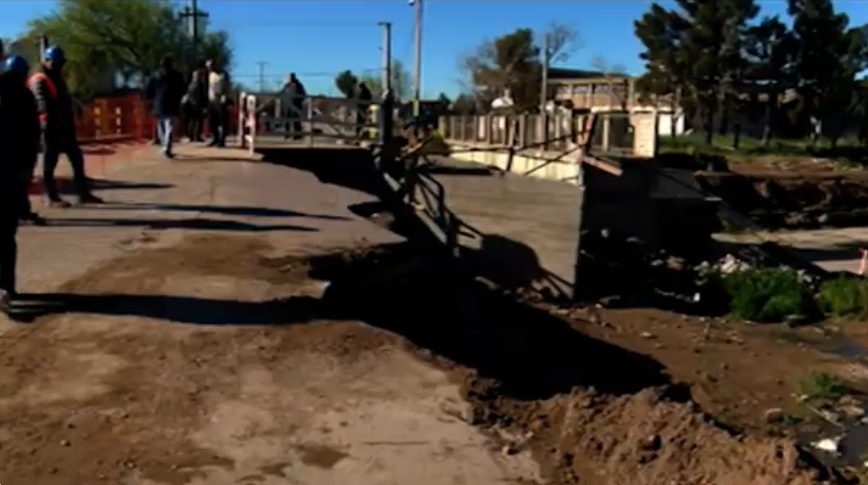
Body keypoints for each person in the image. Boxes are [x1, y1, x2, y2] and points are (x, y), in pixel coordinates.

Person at [30, 46, 102, 207]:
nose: (59, 66)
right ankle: (51, 196)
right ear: (46, 61)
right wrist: (52, 119)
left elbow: (63, 98)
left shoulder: (56, 76)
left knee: (77, 159)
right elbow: (42, 104)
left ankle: (83, 193)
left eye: (61, 63)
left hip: (65, 125)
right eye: (56, 63)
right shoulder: (39, 79)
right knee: (50, 162)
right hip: (50, 126)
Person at [0, 55, 41, 313]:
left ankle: (5, 288)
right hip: (11, 172)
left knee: (4, 233)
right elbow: (32, 137)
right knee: (5, 233)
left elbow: (31, 136)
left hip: (9, 171)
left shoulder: (20, 95)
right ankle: (6, 287)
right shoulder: (22, 95)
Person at [1, 56, 43, 226]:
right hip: (18, 148)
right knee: (19, 182)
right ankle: (21, 212)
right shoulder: (22, 93)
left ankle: (22, 211)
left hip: (11, 148)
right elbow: (30, 125)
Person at [145, 55, 185, 158]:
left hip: (159, 104)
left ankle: (164, 146)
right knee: (170, 126)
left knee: (161, 126)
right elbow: (183, 89)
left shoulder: (155, 75)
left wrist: (150, 100)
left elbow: (149, 90)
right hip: (172, 103)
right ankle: (167, 147)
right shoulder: (177, 75)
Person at [206, 59, 229, 147]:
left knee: (221, 121)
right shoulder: (211, 75)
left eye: (210, 66)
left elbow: (226, 86)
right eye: (208, 67)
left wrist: (224, 97)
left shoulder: (223, 74)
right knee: (212, 121)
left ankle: (222, 140)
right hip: (212, 99)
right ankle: (215, 138)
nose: (209, 68)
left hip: (220, 100)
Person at [182, 65, 207, 142]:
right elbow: (202, 96)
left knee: (192, 121)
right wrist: (204, 106)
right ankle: (197, 136)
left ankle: (190, 136)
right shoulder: (200, 85)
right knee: (199, 121)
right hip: (197, 105)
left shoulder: (190, 85)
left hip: (191, 105)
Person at [282, 73, 306, 139]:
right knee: (287, 121)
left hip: (296, 106)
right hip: (287, 106)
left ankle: (297, 135)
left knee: (296, 121)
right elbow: (282, 93)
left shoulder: (299, 85)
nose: (289, 79)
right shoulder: (286, 86)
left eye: (290, 77)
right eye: (289, 77)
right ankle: (287, 134)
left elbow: (303, 95)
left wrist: (298, 101)